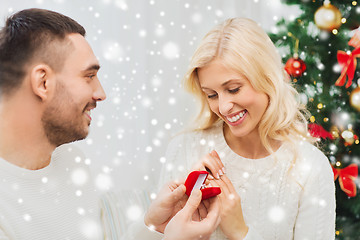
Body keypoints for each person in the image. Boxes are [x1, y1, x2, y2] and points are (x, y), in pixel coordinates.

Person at [0, 8, 220, 240]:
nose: (101, 93)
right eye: (89, 76)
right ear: (43, 83)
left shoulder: (72, 162)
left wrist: (154, 226)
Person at [160, 18, 336, 240]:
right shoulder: (184, 149)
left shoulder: (310, 168)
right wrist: (161, 221)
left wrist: (240, 233)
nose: (223, 107)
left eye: (233, 89)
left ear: (268, 80)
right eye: (211, 94)